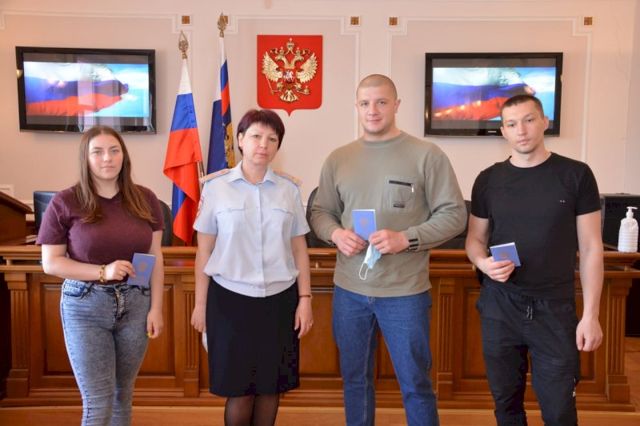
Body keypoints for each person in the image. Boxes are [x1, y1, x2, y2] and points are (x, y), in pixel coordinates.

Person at [310, 74, 467, 426]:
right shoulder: (338, 158)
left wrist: (407, 238)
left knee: (415, 384)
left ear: (396, 105)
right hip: (349, 291)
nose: (373, 110)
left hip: (405, 293)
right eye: (365, 103)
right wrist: (336, 234)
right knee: (355, 382)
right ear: (356, 106)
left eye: (381, 102)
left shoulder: (427, 155)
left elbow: (455, 215)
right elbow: (320, 212)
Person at [465, 94, 604, 426]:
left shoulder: (576, 175)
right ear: (503, 131)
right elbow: (474, 240)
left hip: (554, 309)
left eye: (529, 120)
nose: (522, 130)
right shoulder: (488, 180)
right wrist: (483, 263)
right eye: (512, 124)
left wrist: (591, 315)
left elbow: (591, 248)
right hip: (500, 306)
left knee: (558, 410)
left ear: (544, 122)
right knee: (506, 405)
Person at [190, 109, 313, 426]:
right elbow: (204, 252)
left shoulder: (289, 190)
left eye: (272, 139)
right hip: (230, 301)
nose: (264, 144)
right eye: (256, 136)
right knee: (239, 390)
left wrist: (305, 299)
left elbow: (299, 249)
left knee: (271, 387)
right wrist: (200, 305)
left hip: (279, 301)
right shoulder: (216, 189)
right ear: (241, 140)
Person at [37, 125, 165, 425]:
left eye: (114, 150)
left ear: (124, 156)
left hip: (136, 304)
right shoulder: (66, 201)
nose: (107, 158)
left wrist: (156, 308)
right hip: (86, 305)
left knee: (123, 395)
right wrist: (102, 272)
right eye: (98, 152)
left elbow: (154, 256)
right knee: (98, 401)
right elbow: (51, 263)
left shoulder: (145, 198)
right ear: (86, 158)